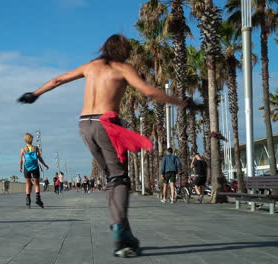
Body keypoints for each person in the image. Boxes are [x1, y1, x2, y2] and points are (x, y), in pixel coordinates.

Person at [17, 34, 187, 257]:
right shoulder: (124, 69)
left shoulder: (91, 66)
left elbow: (58, 80)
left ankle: (125, 234)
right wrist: (182, 103)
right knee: (120, 178)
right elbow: (149, 91)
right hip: (105, 124)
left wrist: (35, 94)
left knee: (112, 179)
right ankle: (119, 230)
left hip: (84, 125)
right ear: (124, 51)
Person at [19, 133, 49, 208]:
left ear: (25, 140)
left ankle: (28, 200)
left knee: (28, 184)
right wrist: (45, 165)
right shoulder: (35, 148)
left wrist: (20, 167)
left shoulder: (23, 149)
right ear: (32, 140)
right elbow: (40, 158)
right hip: (35, 167)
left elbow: (21, 160)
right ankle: (38, 199)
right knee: (36, 184)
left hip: (27, 167)